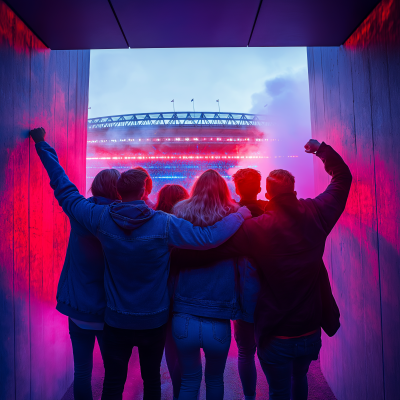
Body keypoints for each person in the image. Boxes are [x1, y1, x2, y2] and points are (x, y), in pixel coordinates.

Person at [29, 127, 251, 400]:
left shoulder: (99, 218)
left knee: (112, 382)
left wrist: (42, 145)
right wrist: (240, 214)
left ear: (119, 191)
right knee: (151, 381)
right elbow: (209, 237)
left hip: (116, 318)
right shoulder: (164, 223)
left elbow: (64, 189)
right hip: (154, 319)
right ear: (146, 190)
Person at [173, 139, 350, 400]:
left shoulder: (258, 228)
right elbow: (342, 178)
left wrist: (176, 258)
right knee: (300, 379)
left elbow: (214, 249)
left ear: (267, 194)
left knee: (278, 391)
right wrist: (321, 149)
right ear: (293, 189)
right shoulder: (317, 213)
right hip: (311, 327)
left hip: (276, 330)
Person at [170, 169, 260, 400]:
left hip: (184, 313)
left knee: (189, 381)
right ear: (224, 189)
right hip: (218, 314)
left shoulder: (179, 213)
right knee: (214, 380)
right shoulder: (234, 215)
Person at [55, 168, 120, 400]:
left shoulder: (80, 212)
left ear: (95, 187)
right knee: (113, 374)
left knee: (81, 372)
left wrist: (42, 145)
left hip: (79, 310)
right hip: (108, 314)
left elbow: (61, 182)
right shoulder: (122, 219)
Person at [231, 168, 266, 399]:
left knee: (245, 352)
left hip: (242, 295)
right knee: (273, 350)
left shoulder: (231, 215)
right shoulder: (271, 211)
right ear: (260, 187)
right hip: (270, 295)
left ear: (236, 189)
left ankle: (250, 397)